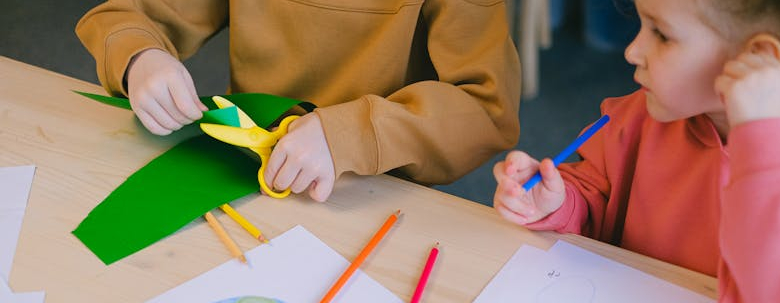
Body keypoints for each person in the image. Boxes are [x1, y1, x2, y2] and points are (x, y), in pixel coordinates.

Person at [493, 0, 780, 303]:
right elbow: (599, 203)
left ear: (758, 58)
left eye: (661, 34)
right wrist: (559, 203)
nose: (632, 51)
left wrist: (760, 150)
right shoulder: (637, 118)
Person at [76, 0, 521, 202]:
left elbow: (485, 109)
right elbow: (128, 15)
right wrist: (140, 55)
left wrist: (349, 134)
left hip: (373, 190)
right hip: (249, 173)